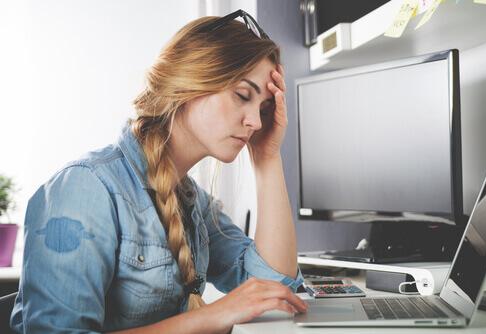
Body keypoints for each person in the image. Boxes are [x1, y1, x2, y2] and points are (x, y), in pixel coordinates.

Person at [10, 9, 308, 334]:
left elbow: (274, 289)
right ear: (190, 83)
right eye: (242, 96)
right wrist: (212, 316)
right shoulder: (86, 189)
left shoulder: (193, 203)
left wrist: (267, 158)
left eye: (264, 108)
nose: (256, 122)